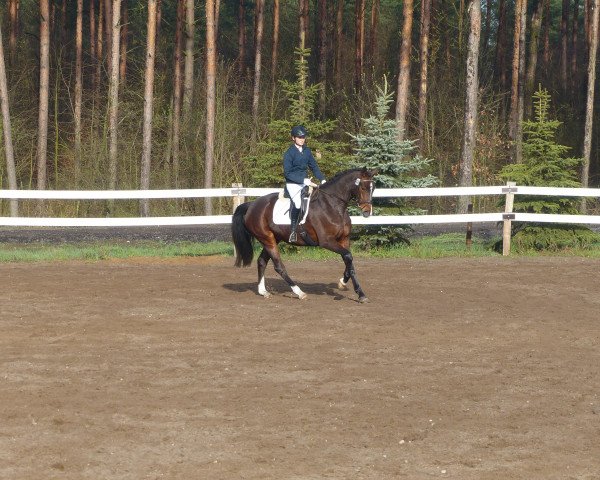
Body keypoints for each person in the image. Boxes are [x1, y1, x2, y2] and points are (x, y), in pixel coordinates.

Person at [283, 125, 326, 242]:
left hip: (305, 183)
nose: (302, 139)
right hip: (293, 184)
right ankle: (293, 231)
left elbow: (314, 166)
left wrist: (322, 179)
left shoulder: (307, 151)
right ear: (293, 138)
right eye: (299, 137)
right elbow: (287, 173)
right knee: (297, 203)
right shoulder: (289, 153)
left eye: (303, 137)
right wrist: (303, 180)